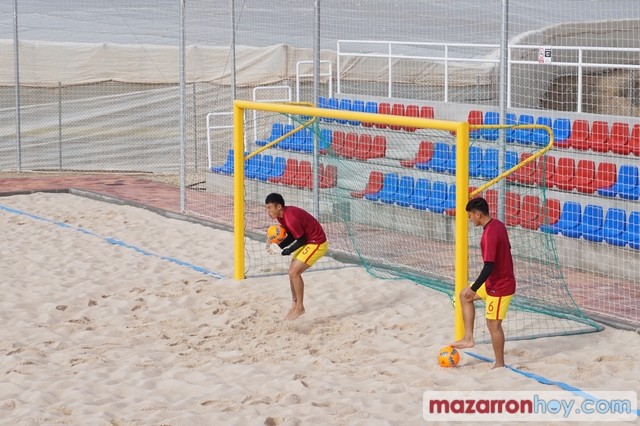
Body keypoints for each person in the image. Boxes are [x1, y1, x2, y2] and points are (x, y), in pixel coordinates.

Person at [451, 196, 516, 369]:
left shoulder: (489, 235)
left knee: (493, 325)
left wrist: (474, 287)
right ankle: (468, 338)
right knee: (464, 296)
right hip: (493, 282)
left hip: (501, 286)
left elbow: (489, 266)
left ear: (478, 214)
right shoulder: (498, 224)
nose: (470, 219)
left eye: (470, 215)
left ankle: (500, 363)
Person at [264, 193, 328, 320]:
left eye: (269, 207)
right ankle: (295, 304)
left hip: (317, 242)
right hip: (308, 241)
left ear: (279, 207)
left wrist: (287, 250)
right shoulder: (281, 217)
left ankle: (300, 307)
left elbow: (301, 239)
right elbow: (293, 235)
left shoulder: (290, 217)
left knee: (294, 272)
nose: (268, 211)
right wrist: (279, 246)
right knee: (291, 272)